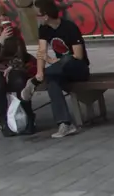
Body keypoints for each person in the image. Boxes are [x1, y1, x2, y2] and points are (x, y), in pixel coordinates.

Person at [0, 1, 36, 138]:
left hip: (13, 65)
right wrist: (1, 40)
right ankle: (4, 121)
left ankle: (29, 118)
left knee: (20, 81)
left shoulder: (14, 31)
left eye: (4, 15)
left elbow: (21, 53)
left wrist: (12, 66)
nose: (3, 18)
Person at [34, 0, 89, 139]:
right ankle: (65, 123)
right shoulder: (44, 29)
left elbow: (78, 55)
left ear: (45, 15)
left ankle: (33, 82)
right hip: (59, 71)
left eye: (38, 15)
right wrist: (39, 72)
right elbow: (41, 51)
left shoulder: (69, 27)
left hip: (78, 68)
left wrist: (53, 61)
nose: (37, 18)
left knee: (67, 59)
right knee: (52, 82)